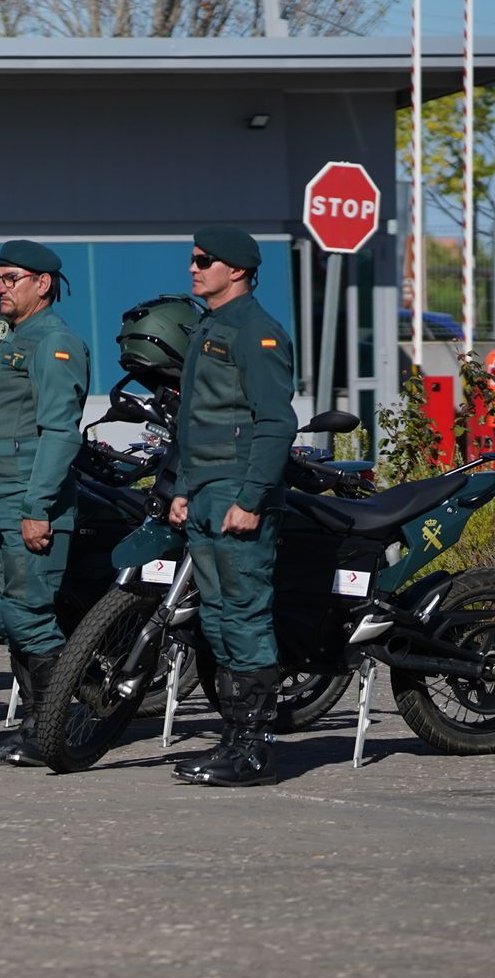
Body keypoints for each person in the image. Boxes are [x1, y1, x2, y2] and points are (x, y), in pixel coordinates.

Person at [168, 225, 296, 787]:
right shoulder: (210, 326)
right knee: (218, 617)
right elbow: (194, 420)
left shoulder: (256, 331)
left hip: (237, 492)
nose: (193, 268)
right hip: (204, 491)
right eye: (194, 259)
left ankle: (257, 750)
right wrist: (181, 486)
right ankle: (235, 737)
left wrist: (251, 498)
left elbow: (276, 422)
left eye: (204, 261)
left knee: (243, 615)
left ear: (237, 270)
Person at [0, 240, 89, 767]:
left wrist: (36, 508)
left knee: (29, 615)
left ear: (43, 283)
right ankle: (37, 724)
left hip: (28, 502)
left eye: (10, 278)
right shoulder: (19, 339)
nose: (0, 288)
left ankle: (56, 725)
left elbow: (60, 431)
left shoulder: (54, 341)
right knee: (10, 614)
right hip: (1, 502)